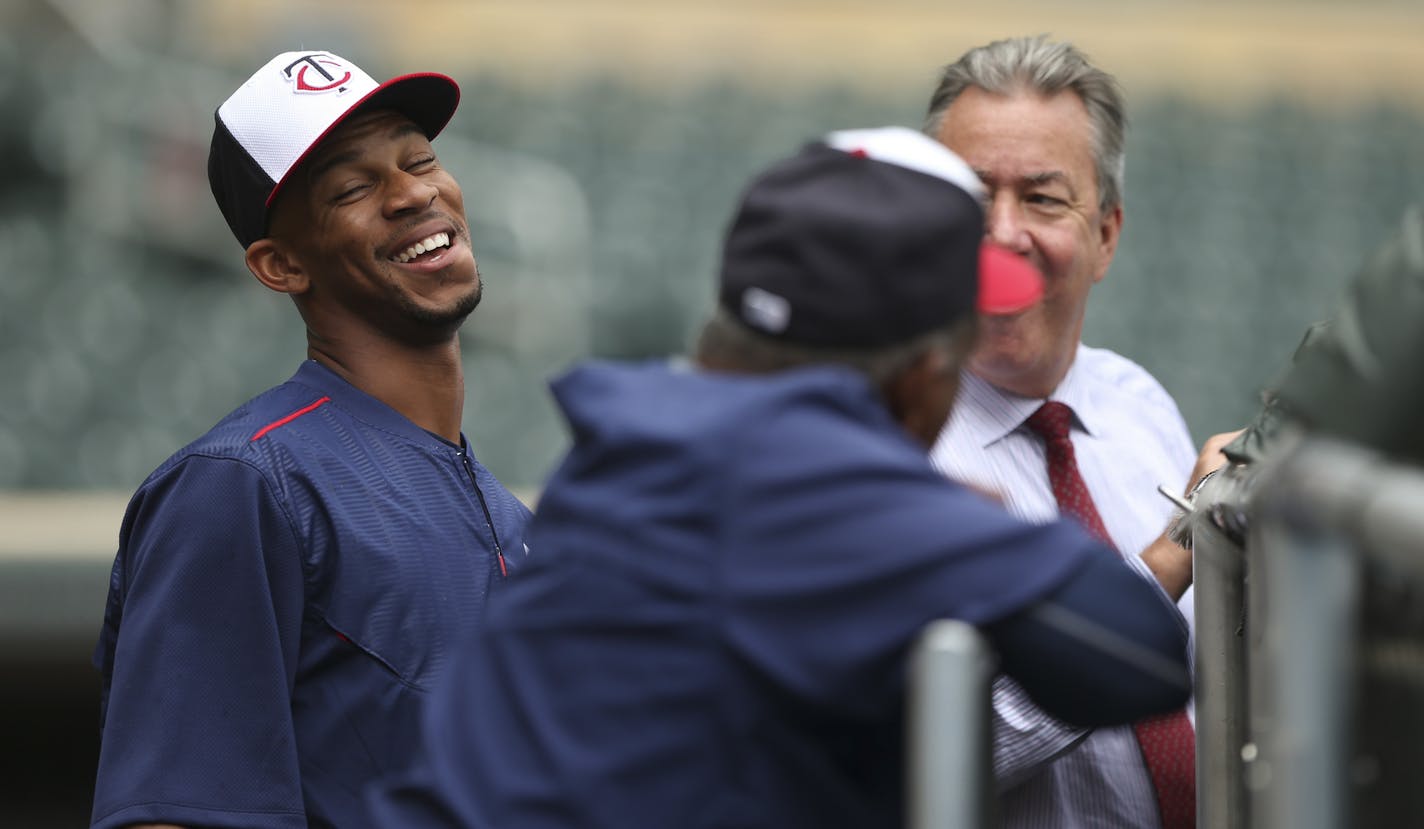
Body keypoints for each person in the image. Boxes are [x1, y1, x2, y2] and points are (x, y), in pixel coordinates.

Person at [369, 126, 1218, 829]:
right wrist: (939, 519)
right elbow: (1135, 658)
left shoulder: (630, 440)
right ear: (925, 374)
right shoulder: (827, 489)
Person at [89, 51, 531, 829]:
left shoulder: (514, 519)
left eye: (419, 159)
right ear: (281, 263)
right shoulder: (243, 485)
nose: (413, 193)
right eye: (355, 189)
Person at [922, 35, 1237, 828]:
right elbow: (926, 747)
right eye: (968, 198)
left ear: (1105, 235)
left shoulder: (1137, 402)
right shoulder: (887, 450)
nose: (1000, 234)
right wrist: (1175, 557)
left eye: (1041, 197)